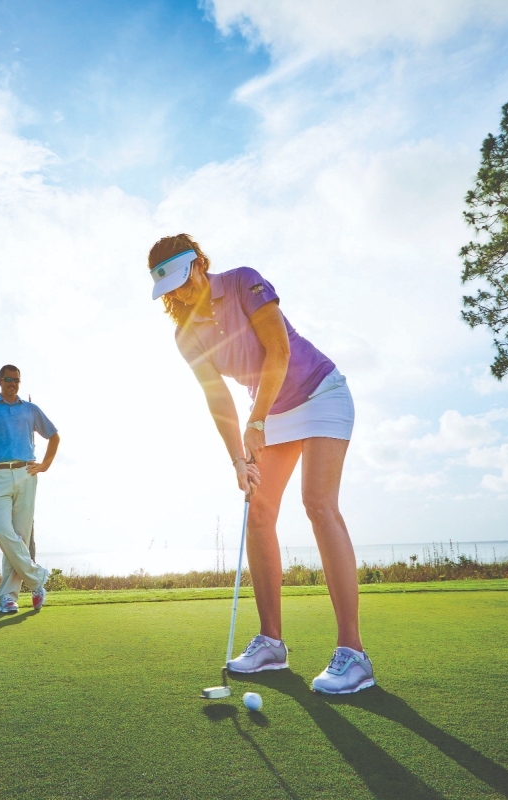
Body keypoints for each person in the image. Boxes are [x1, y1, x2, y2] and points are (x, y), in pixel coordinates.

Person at [147, 233, 374, 694]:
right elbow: (217, 399)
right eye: (166, 287)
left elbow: (279, 352)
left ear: (198, 264)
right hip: (267, 412)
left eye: (179, 279)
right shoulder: (185, 335)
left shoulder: (244, 283)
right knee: (259, 512)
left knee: (317, 504)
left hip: (320, 392)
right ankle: (271, 642)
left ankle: (354, 653)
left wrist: (258, 420)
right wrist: (237, 456)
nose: (176, 292)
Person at [0, 364, 60, 613]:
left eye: (16, 380)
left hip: (26, 473)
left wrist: (45, 465)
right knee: (3, 532)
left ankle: (7, 597)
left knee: (20, 537)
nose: (12, 383)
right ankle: (37, 579)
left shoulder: (30, 409)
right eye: (7, 379)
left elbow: (54, 436)